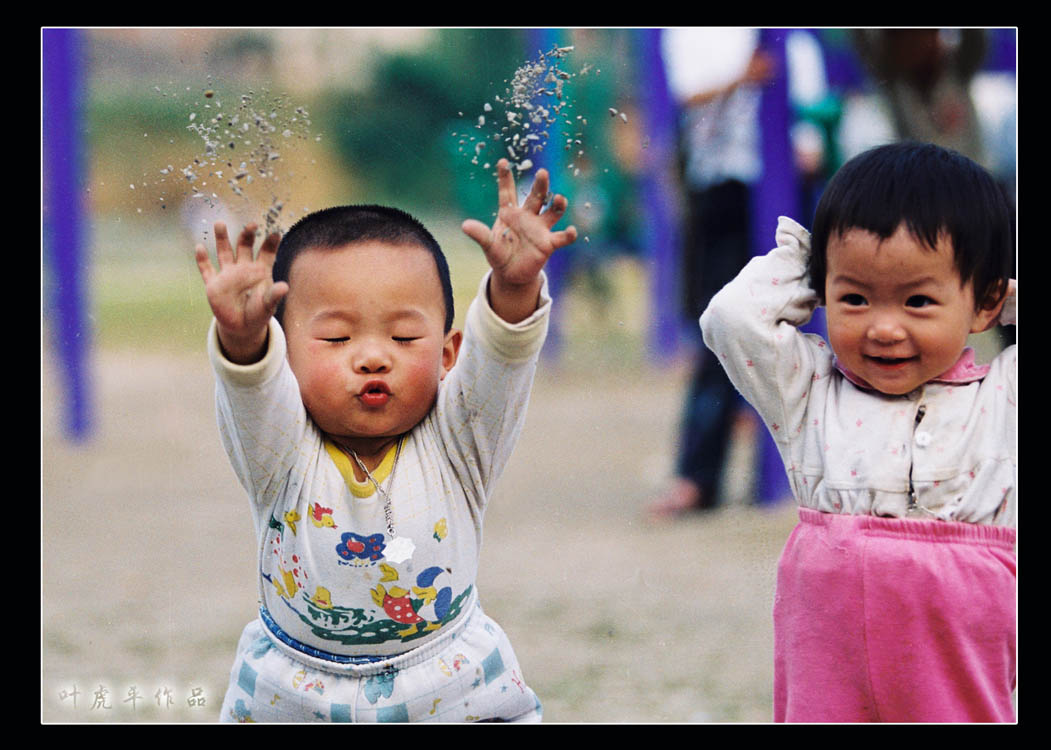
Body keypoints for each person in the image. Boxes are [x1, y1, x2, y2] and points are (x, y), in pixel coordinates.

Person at [194, 158, 577, 723]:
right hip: (293, 692)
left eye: (403, 335)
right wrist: (244, 340)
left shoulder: (462, 440)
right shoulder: (277, 452)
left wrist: (514, 287)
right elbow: (250, 395)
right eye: (336, 336)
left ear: (447, 354)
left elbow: (501, 364)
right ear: (287, 353)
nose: (373, 355)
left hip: (450, 686)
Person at [700, 141, 1016, 722]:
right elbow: (730, 318)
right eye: (855, 298)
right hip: (829, 645)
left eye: (918, 300)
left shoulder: (1005, 398)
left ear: (987, 301)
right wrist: (808, 264)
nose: (884, 327)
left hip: (958, 639)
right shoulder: (809, 390)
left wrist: (1003, 309)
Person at [648, 28, 775, 518]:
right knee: (716, 330)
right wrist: (743, 78)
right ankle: (699, 474)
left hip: (782, 183)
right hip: (723, 187)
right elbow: (687, 94)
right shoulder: (694, 33)